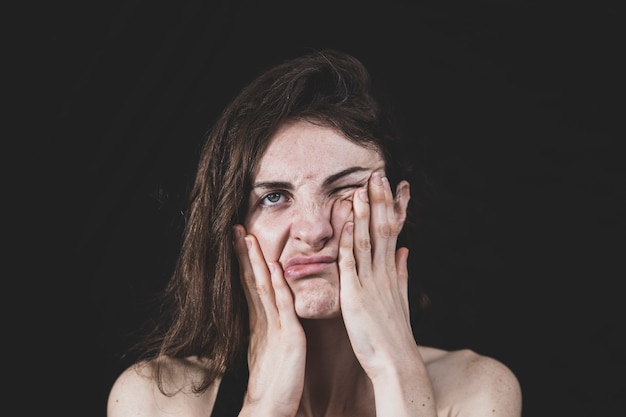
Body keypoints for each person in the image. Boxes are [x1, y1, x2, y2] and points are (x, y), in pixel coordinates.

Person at [107, 49, 522, 417]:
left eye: (345, 190)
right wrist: (265, 405)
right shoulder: (159, 399)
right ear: (234, 226)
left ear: (396, 210)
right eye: (272, 197)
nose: (314, 230)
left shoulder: (475, 389)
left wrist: (397, 372)